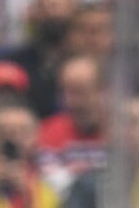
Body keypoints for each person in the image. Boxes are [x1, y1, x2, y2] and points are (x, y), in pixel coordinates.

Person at [35, 53, 107, 199]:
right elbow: (49, 188)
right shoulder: (48, 131)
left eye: (80, 92)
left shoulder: (124, 132)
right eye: (66, 92)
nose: (71, 102)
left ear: (102, 91)